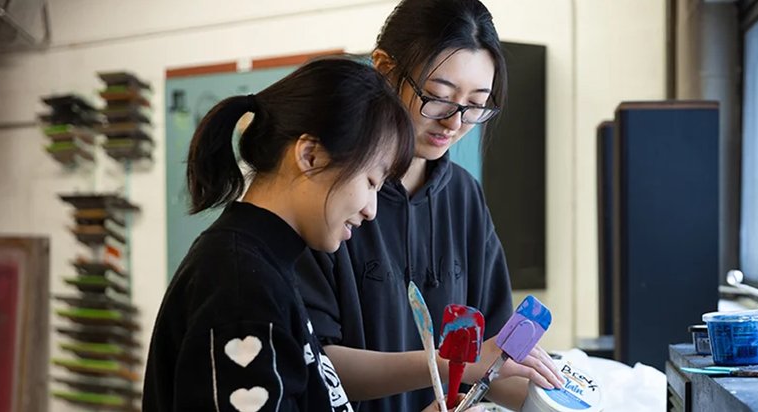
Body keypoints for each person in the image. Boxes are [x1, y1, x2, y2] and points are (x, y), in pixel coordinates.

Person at [295, 1, 564, 411]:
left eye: (476, 105)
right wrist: (450, 363)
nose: (454, 123)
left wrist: (552, 389)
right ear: (385, 69)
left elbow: (492, 362)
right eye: (438, 97)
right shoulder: (333, 191)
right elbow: (311, 360)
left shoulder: (464, 196)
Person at [143, 57, 445, 411]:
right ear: (310, 155)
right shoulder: (241, 285)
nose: (370, 210)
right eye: (370, 182)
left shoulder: (262, 267)